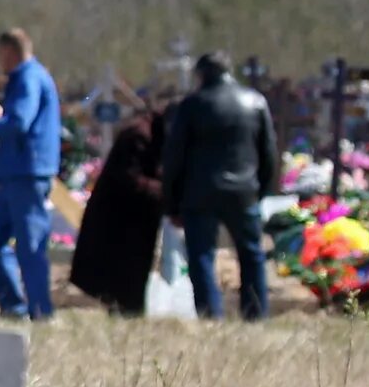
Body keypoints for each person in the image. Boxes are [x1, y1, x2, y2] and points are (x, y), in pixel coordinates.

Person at [161, 51, 279, 321]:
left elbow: (175, 156)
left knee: (202, 256)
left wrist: (172, 201)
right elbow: (269, 151)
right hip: (244, 191)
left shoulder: (192, 105)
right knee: (251, 256)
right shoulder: (255, 101)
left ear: (201, 74)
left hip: (200, 192)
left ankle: (210, 315)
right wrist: (260, 190)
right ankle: (256, 314)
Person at [0, 27, 62, 320]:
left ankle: (41, 310)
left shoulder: (28, 78)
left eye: (1, 55)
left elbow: (19, 121)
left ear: (10, 51)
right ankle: (13, 305)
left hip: (28, 172)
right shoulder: (28, 77)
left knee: (30, 245)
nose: (0, 62)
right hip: (16, 173)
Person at [66, 99, 167, 314]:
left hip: (136, 215)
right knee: (120, 275)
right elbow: (130, 178)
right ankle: (125, 310)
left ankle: (128, 309)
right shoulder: (138, 135)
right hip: (119, 216)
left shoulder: (152, 133)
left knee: (129, 274)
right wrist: (166, 191)